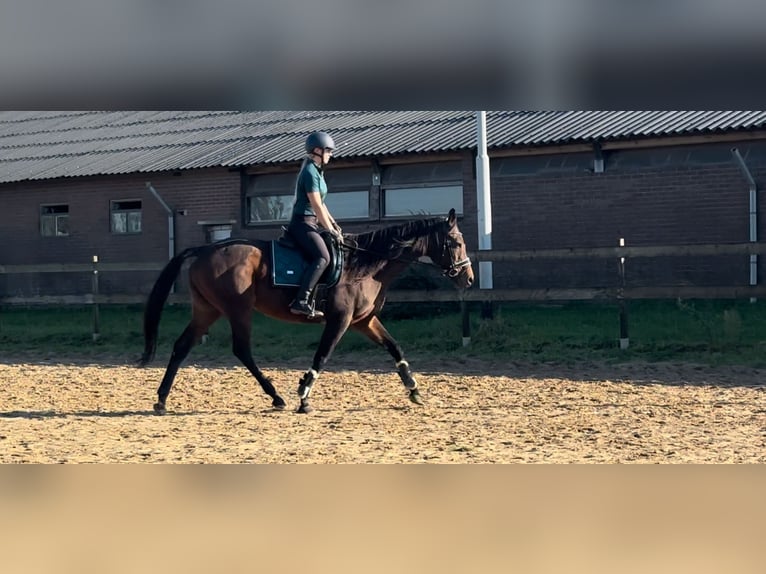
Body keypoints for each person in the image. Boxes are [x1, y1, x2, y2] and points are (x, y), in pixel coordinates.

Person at [287, 131, 343, 317]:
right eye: (328, 150)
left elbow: (322, 203)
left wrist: (333, 224)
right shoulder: (310, 172)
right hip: (302, 223)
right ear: (317, 150)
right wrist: (329, 229)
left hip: (311, 222)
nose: (331, 154)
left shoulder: (317, 171)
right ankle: (301, 301)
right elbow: (316, 205)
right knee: (323, 257)